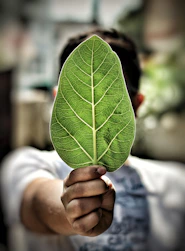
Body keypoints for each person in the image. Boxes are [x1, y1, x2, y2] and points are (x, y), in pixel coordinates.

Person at [1, 29, 185, 251]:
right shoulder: (26, 164)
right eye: (78, 95)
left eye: (114, 95)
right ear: (58, 99)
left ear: (137, 104)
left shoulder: (176, 185)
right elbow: (37, 203)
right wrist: (71, 211)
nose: (94, 110)